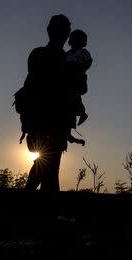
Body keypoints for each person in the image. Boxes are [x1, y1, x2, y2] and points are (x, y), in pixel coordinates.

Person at [23, 14, 75, 192]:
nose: (64, 33)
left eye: (65, 29)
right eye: (61, 29)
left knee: (45, 165)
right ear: (50, 31)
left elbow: (75, 90)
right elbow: (33, 88)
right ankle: (48, 213)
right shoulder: (42, 55)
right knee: (50, 168)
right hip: (43, 121)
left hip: (54, 122)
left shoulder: (67, 59)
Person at [66, 29, 93, 126]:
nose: (75, 43)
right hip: (68, 77)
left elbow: (88, 62)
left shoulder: (84, 52)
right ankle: (78, 112)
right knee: (71, 95)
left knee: (74, 94)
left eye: (78, 40)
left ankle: (82, 112)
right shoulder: (67, 54)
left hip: (77, 76)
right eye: (74, 40)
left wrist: (80, 69)